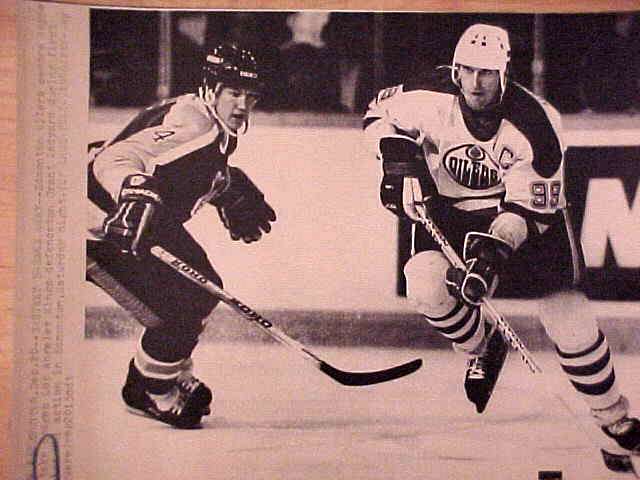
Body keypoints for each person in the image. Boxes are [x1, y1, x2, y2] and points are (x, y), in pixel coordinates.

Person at [363, 23, 640, 474]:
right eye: (467, 71)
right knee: (424, 283)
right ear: (455, 68)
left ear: (505, 73)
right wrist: (395, 156)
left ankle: (614, 417)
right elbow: (376, 115)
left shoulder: (538, 125)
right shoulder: (423, 95)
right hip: (448, 210)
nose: (475, 83)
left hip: (521, 216)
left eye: (487, 74)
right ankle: (481, 348)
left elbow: (525, 213)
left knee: (566, 314)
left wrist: (491, 255)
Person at [86, 42, 276, 429]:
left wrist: (226, 189)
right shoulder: (198, 124)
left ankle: (165, 370)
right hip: (96, 229)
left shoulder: (209, 124)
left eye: (250, 95)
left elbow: (179, 169)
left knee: (202, 289)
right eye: (233, 92)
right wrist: (132, 189)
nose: (242, 104)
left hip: (136, 221)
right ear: (212, 88)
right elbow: (113, 159)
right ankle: (149, 388)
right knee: (183, 305)